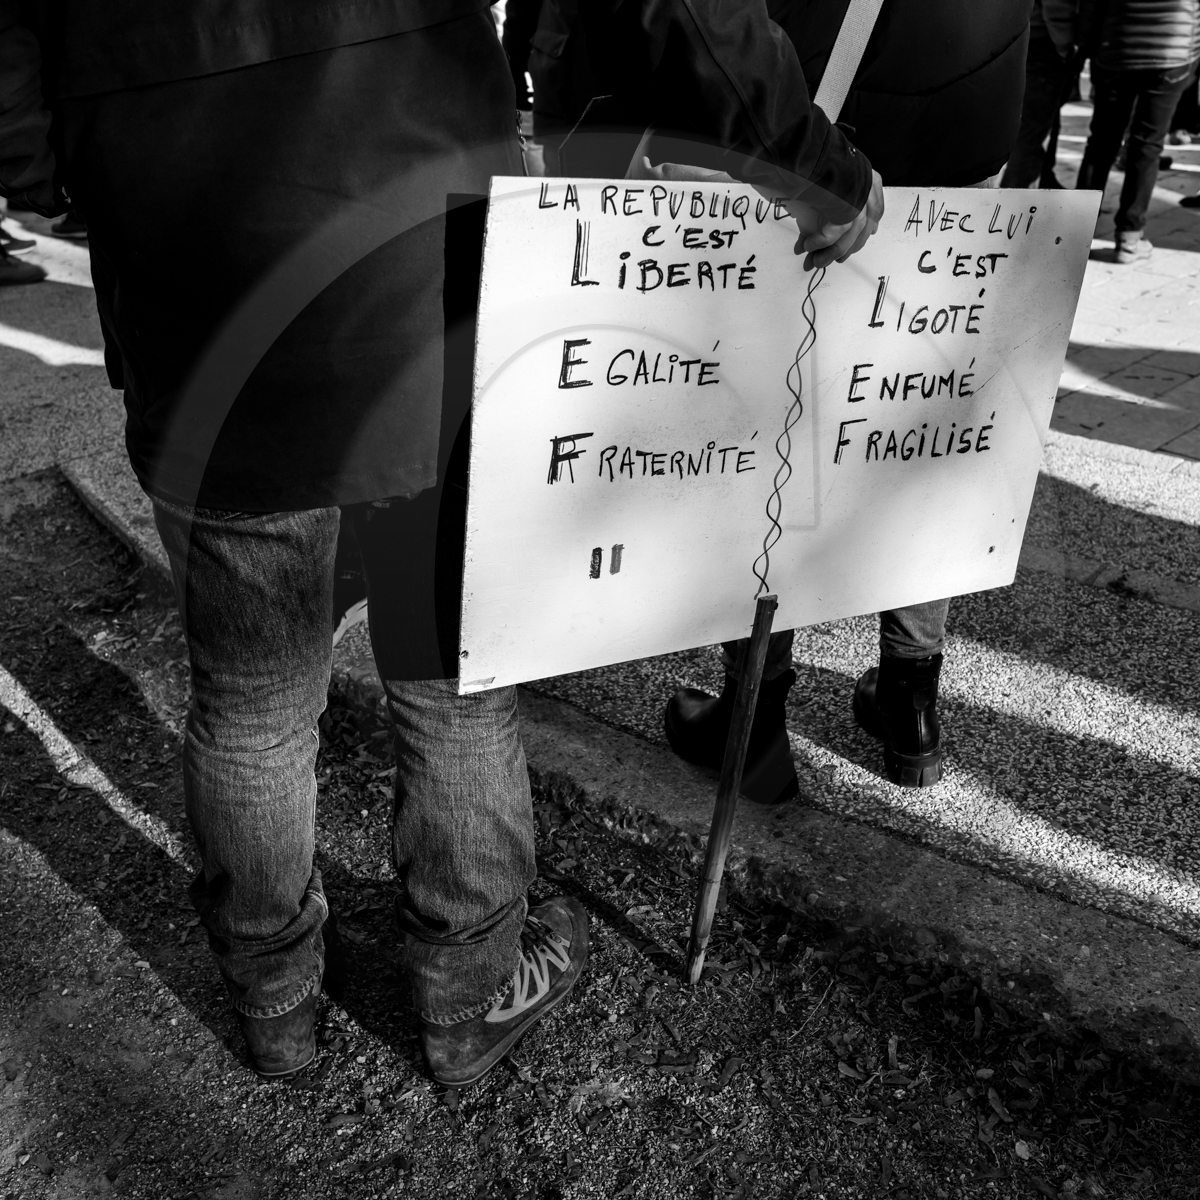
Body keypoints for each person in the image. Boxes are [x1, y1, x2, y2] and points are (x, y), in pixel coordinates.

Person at [0, 0, 880, 1086]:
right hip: (421, 270)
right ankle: (468, 989)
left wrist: (81, 170)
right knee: (449, 680)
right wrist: (809, 160)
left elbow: (13, 91)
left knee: (253, 701)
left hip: (197, 286)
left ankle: (274, 997)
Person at [665, 0, 1030, 803]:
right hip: (974, 97)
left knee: (780, 409)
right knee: (917, 414)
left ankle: (755, 715)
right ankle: (911, 702)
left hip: (830, 91)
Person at [1076, 0, 1200, 262]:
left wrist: (1086, 49)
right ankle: (1129, 238)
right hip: (1173, 50)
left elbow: (1091, 6)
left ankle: (1074, 232)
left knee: (1101, 143)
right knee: (1147, 145)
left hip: (1117, 47)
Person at [1001, 0, 1081, 189]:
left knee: (1040, 120)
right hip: (1043, 42)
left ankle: (1044, 178)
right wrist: (1066, 46)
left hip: (1022, 34)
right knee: (1031, 130)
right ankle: (1011, 193)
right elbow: (1056, 8)